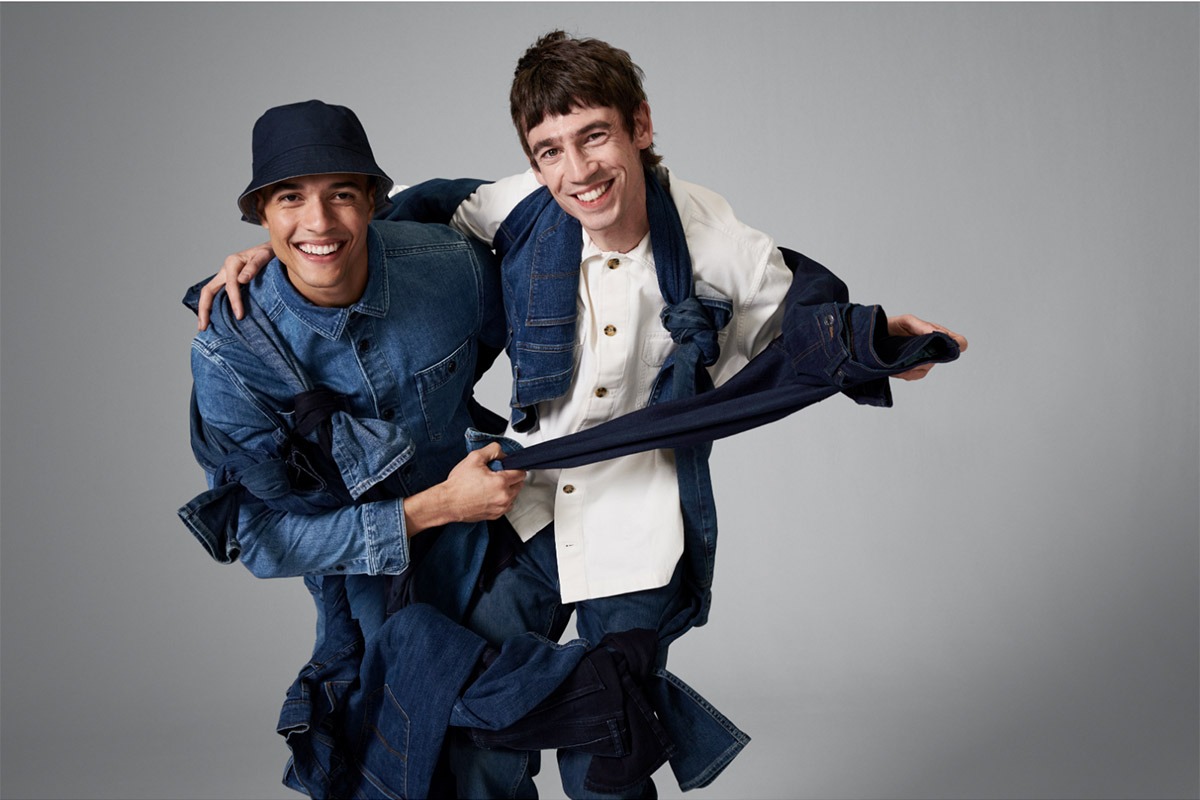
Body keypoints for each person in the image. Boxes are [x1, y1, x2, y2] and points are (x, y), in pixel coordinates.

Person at [198, 32, 968, 799]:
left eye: (595, 136)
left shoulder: (714, 239)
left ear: (641, 126)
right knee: (473, 730)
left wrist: (877, 343)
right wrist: (280, 258)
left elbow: (801, 316)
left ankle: (624, 723)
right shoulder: (520, 209)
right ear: (534, 162)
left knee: (605, 762)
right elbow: (391, 218)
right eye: (551, 150)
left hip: (640, 525)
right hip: (530, 510)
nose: (578, 170)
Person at [181, 99, 701, 800]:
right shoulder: (231, 353)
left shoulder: (451, 270)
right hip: (367, 568)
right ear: (259, 215)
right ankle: (603, 697)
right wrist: (436, 507)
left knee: (485, 751)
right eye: (289, 199)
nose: (319, 222)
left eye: (341, 194)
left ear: (373, 200)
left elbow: (554, 217)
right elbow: (261, 540)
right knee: (399, 754)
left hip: (495, 534)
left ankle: (605, 707)